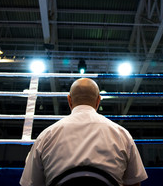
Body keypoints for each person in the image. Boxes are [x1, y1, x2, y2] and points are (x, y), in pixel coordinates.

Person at [20, 78, 148, 186]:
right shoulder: (122, 135)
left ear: (69, 100)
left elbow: (30, 183)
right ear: (98, 100)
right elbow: (134, 183)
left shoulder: (46, 136)